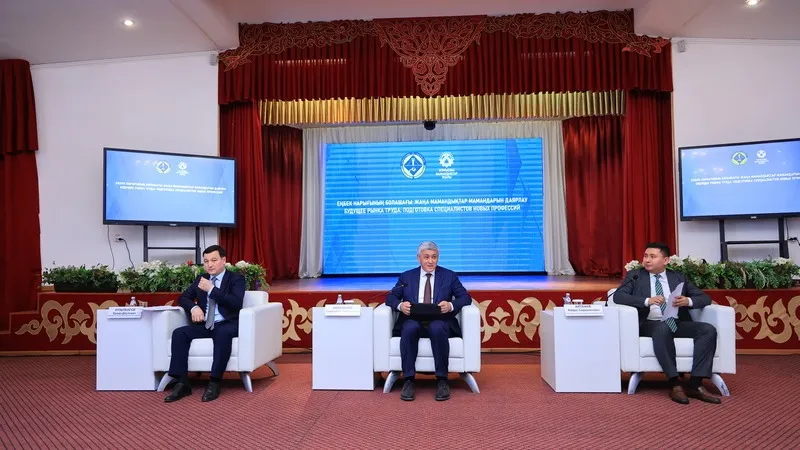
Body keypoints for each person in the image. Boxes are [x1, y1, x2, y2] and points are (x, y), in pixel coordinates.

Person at [613, 242, 721, 405]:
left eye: (652, 256)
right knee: (662, 328)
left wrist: (688, 301)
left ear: (665, 260)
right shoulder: (635, 276)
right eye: (645, 256)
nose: (647, 260)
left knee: (707, 329)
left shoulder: (678, 277)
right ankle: (674, 382)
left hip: (677, 322)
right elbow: (619, 296)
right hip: (649, 323)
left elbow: (704, 298)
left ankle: (695, 383)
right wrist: (647, 301)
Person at [384, 241, 472, 401]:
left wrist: (450, 305)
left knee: (437, 328)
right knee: (409, 328)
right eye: (426, 257)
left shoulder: (449, 276)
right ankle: (408, 380)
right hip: (413, 319)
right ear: (419, 258)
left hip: (440, 320)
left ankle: (442, 380)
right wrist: (400, 306)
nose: (430, 261)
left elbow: (465, 298)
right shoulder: (407, 276)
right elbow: (391, 297)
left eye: (434, 257)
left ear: (438, 258)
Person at [163, 245, 246, 403]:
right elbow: (183, 298)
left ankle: (214, 382)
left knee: (222, 333)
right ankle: (182, 382)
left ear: (223, 260)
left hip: (227, 323)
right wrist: (193, 308)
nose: (209, 265)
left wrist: (212, 289)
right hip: (205, 324)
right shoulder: (201, 279)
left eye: (214, 260)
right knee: (179, 333)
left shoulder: (236, 279)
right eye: (206, 261)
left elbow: (236, 303)